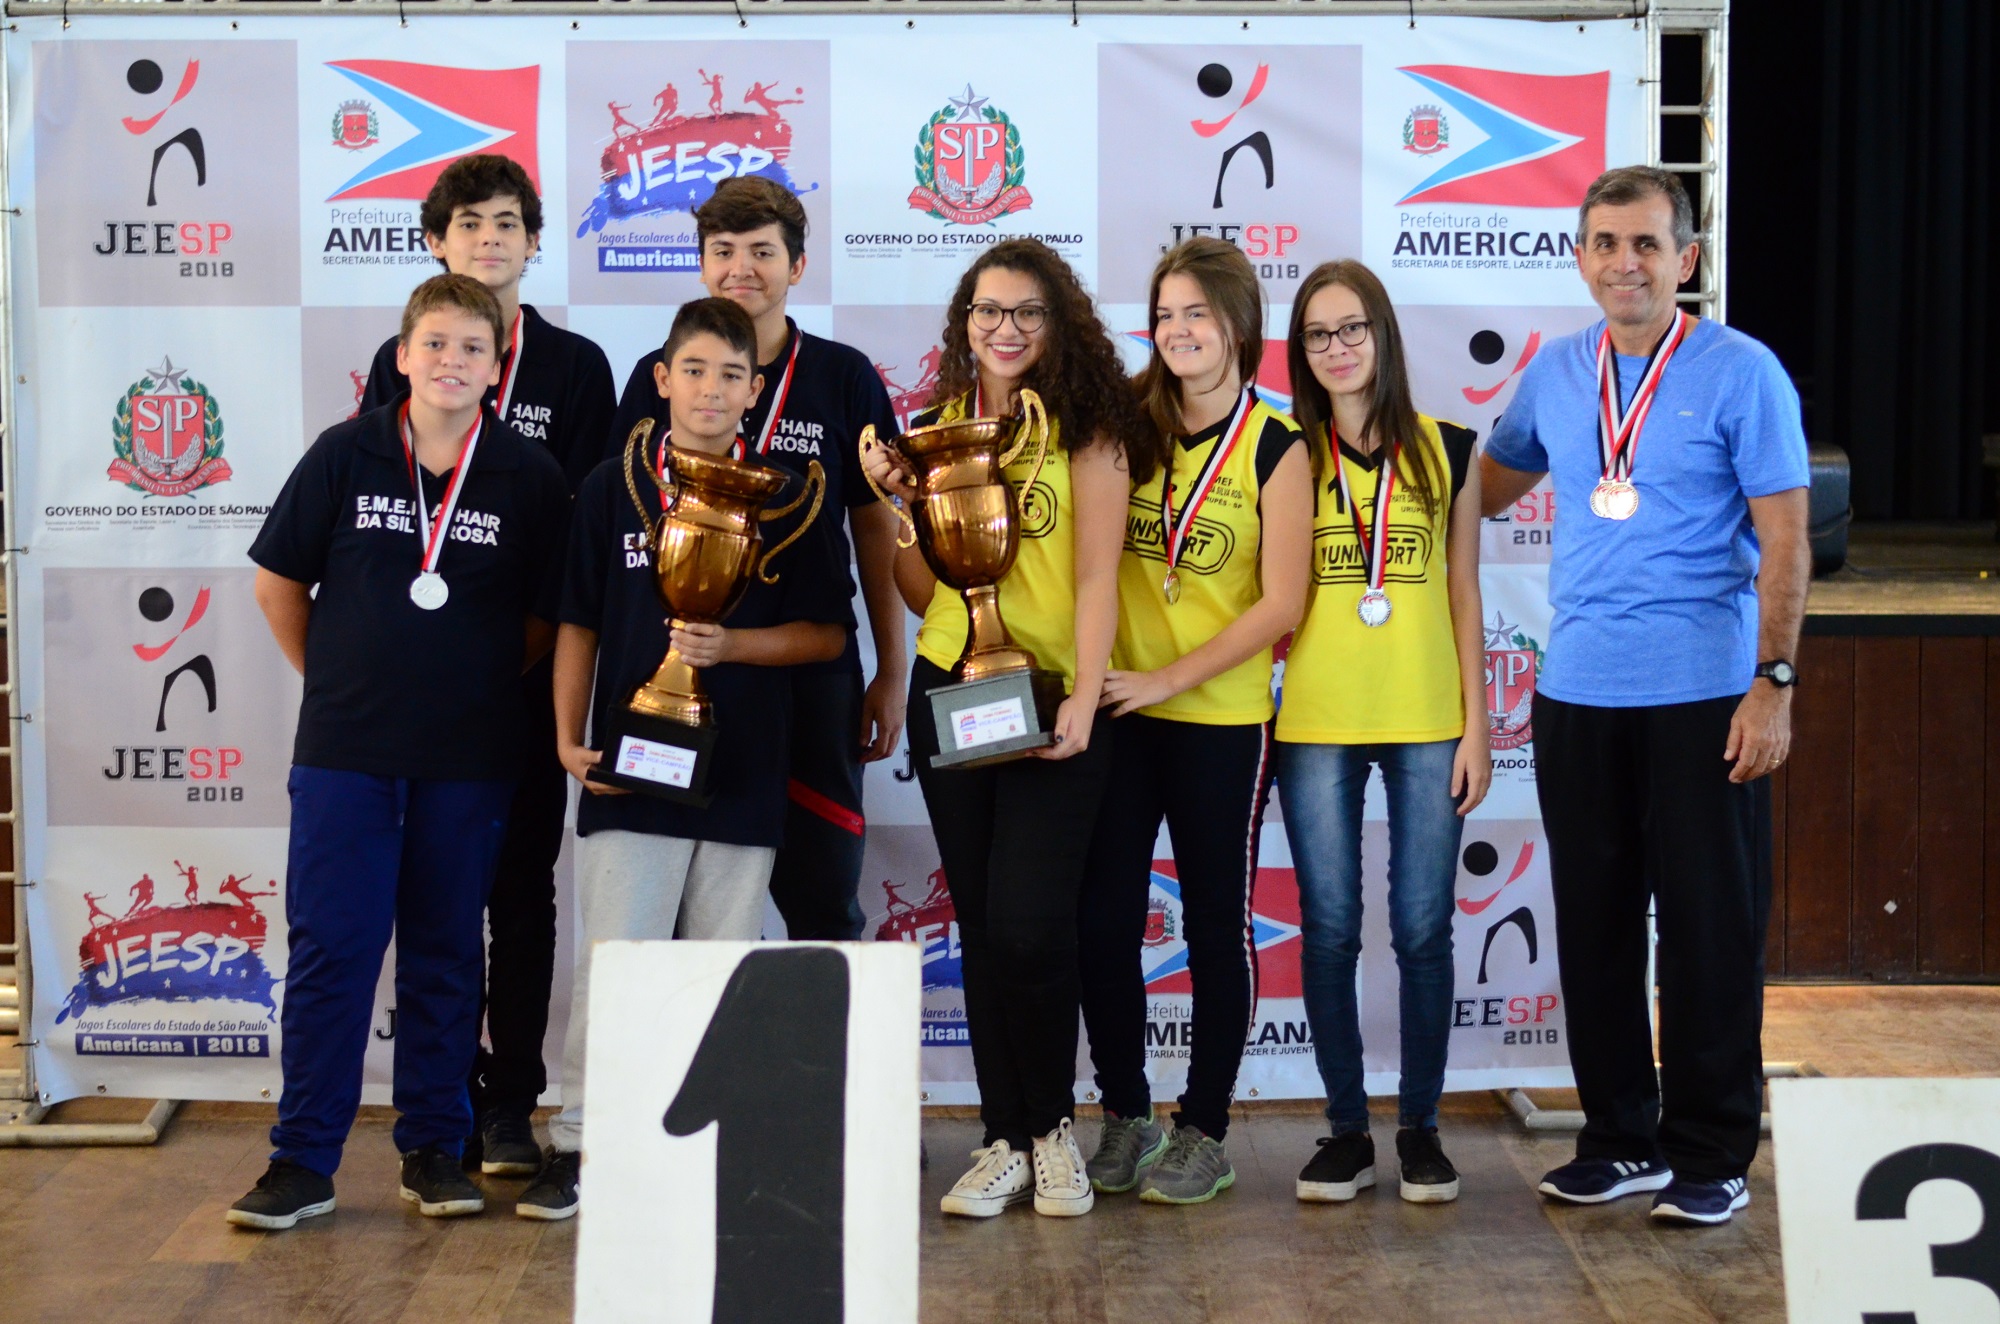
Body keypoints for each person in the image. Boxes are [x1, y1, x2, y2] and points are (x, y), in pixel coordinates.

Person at [1480, 167, 1809, 1226]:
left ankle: (1709, 1150)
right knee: (1596, 926)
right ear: (1578, 256)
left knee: (1710, 928)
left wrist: (1772, 683)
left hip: (1705, 695)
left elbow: (1786, 540)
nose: (1624, 262)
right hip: (1575, 694)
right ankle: (1620, 1139)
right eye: (1604, 243)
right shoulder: (1557, 373)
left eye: (1645, 245)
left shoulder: (1739, 372)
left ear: (1686, 259)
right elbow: (1486, 485)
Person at [229, 274, 572, 1230]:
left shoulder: (527, 475)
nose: (453, 361)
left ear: (497, 363)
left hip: (470, 758)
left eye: (473, 346)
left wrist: (465, 686)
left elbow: (548, 617)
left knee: (446, 953)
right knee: (333, 952)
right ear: (404, 354)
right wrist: (341, 679)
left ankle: (433, 1147)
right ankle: (302, 1161)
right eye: (436, 344)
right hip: (348, 753)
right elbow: (277, 585)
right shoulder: (346, 453)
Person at [520, 298, 849, 1221]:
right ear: (661, 380)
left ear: (754, 391)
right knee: (617, 963)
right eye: (693, 370)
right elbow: (577, 620)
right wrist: (563, 733)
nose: (711, 389)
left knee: (722, 963)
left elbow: (827, 635)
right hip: (634, 764)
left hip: (744, 773)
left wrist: (736, 650)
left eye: (731, 375)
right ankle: (583, 1141)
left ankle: (710, 1149)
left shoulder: (791, 493)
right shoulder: (609, 485)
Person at [861, 238, 1145, 1219]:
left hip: (1053, 690)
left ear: (1056, 323)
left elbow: (1101, 574)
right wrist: (901, 507)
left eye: (1026, 312)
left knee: (1031, 925)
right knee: (981, 925)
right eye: (988, 311)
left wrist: (1083, 696)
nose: (1005, 329)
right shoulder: (937, 427)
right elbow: (918, 587)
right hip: (955, 687)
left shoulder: (1087, 429)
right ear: (963, 321)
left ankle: (1052, 1130)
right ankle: (1002, 1137)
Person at [360, 153, 617, 1178]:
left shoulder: (577, 364)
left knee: (519, 891)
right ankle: (442, 1099)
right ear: (436, 241)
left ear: (533, 240)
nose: (490, 238)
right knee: (433, 894)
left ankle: (511, 1098)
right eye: (469, 223)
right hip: (425, 673)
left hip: (528, 666)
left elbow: (590, 527)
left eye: (509, 222)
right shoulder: (406, 356)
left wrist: (552, 651)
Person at [1075, 238, 1310, 1205]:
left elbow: (1281, 603)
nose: (1178, 332)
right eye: (1165, 315)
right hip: (1124, 712)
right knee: (1102, 920)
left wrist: (1170, 676)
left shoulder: (1278, 446)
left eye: (1198, 316)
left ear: (1239, 329)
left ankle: (1204, 1126)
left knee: (1217, 927)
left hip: (1219, 718)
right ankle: (1125, 1114)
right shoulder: (1124, 426)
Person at [610, 179, 904, 947]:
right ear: (702, 264)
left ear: (797, 267)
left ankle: (830, 1068)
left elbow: (876, 533)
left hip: (808, 679)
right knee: (679, 911)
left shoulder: (845, 377)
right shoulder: (656, 375)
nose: (743, 269)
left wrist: (892, 669)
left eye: (763, 252)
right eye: (724, 252)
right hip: (680, 678)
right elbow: (623, 530)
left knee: (823, 899)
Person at [1277, 259, 1491, 1206]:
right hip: (1315, 719)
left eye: (1352, 328)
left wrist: (1478, 727)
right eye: (1318, 334)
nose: (1337, 348)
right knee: (1327, 931)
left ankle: (1421, 1130)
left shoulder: (1449, 446)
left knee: (1421, 930)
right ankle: (1345, 1131)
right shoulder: (1283, 452)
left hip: (1427, 720)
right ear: (1300, 349)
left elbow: (1465, 593)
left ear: (1383, 335)